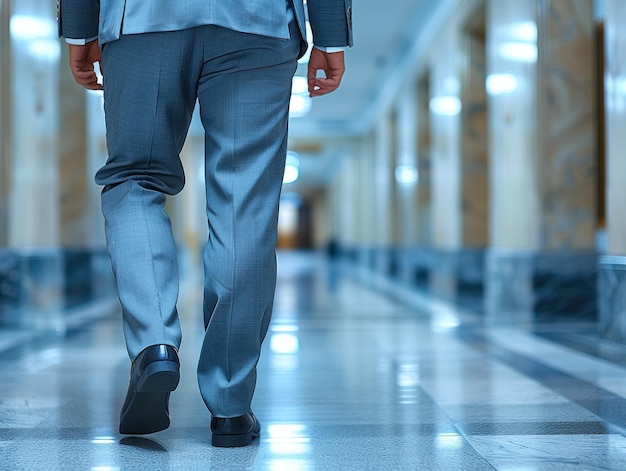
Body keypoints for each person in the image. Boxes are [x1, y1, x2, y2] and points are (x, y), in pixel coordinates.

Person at [57, 0, 352, 447]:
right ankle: (231, 404)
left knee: (135, 180)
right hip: (259, 24)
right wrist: (330, 34)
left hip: (140, 20)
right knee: (244, 201)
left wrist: (79, 28)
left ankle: (154, 346)